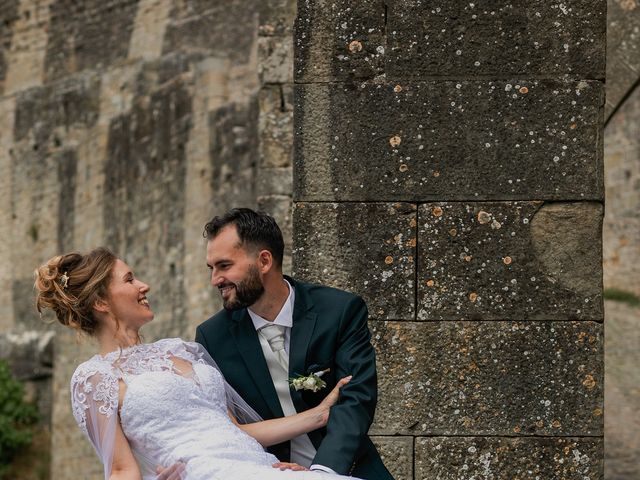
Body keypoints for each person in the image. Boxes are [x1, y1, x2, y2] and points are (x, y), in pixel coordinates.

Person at [34, 247, 361, 480]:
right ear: (102, 302)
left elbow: (236, 431)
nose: (143, 285)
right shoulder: (95, 377)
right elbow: (120, 469)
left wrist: (318, 415)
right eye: (130, 279)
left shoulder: (183, 350)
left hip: (258, 466)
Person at [196, 209, 393, 480]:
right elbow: (220, 427)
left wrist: (321, 472)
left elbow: (356, 400)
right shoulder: (212, 338)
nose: (215, 280)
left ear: (264, 261)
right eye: (212, 268)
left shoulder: (339, 311)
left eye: (224, 266)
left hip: (346, 468)